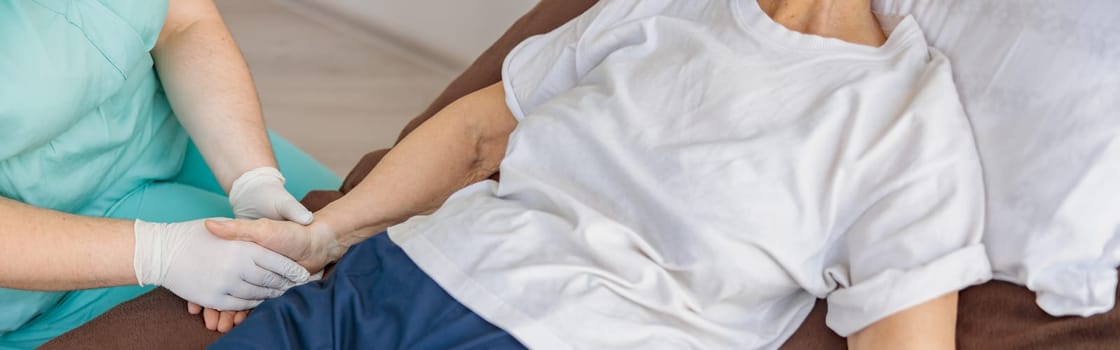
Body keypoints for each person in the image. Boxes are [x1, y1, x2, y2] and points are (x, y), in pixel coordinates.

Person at [206, 0, 992, 348]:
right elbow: (481, 133)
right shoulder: (665, 8)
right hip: (381, 283)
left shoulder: (907, 129)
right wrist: (323, 236)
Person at [0, 0, 340, 347]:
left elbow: (183, 22)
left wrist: (254, 178)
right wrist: (159, 254)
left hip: (164, 127)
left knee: (346, 236)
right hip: (33, 275)